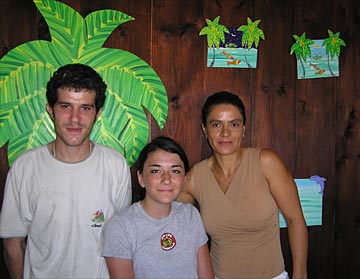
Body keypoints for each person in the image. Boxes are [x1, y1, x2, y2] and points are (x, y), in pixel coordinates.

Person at [0, 63, 132, 278]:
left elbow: (120, 242)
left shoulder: (115, 165)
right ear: (50, 110)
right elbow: (13, 243)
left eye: (85, 108)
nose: (75, 119)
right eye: (65, 106)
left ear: (98, 113)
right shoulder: (25, 167)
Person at [179, 91, 308, 279]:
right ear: (205, 130)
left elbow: (295, 220)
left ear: (244, 129)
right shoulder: (195, 177)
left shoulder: (266, 162)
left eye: (234, 124)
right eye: (216, 124)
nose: (225, 133)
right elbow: (165, 213)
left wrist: (300, 275)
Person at [102, 136, 214, 279]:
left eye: (175, 171)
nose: (166, 179)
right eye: (156, 171)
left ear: (184, 179)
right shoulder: (121, 227)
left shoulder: (190, 215)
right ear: (141, 178)